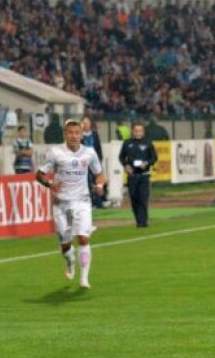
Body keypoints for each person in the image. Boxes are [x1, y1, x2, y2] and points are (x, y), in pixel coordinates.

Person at [37, 119, 106, 289]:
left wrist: (99, 186)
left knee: (83, 238)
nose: (74, 136)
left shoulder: (89, 153)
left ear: (82, 135)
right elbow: (39, 174)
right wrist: (50, 184)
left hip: (82, 201)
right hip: (61, 204)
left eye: (77, 133)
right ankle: (70, 260)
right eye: (70, 133)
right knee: (66, 245)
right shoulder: (55, 153)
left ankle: (84, 279)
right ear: (65, 134)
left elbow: (99, 174)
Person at [118, 122, 158, 228]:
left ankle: (143, 222)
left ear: (143, 132)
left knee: (143, 198)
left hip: (144, 175)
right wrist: (126, 165)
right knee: (134, 198)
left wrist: (146, 163)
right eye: (136, 131)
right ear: (133, 131)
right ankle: (138, 220)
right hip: (132, 176)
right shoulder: (127, 143)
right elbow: (121, 157)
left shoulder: (148, 143)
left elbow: (154, 157)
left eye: (140, 131)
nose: (138, 133)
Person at [80, 116, 105, 208]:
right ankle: (89, 202)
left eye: (87, 123)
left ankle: (99, 202)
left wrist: (100, 159)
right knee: (87, 182)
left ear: (90, 124)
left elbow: (98, 147)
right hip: (84, 163)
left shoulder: (94, 134)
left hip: (95, 161)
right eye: (84, 123)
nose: (86, 125)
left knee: (98, 181)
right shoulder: (80, 135)